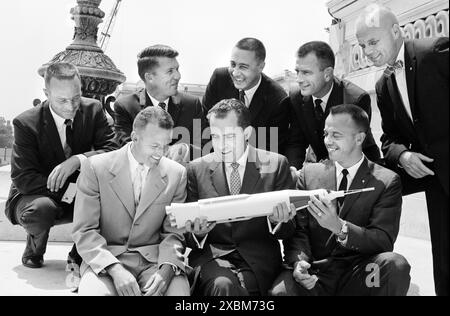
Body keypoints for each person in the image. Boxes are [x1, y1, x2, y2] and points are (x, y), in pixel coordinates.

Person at [355, 4, 449, 296]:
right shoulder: (382, 84)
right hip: (437, 185)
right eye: (362, 45)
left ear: (395, 31)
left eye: (373, 41)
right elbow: (388, 140)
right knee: (445, 263)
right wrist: (403, 156)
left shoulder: (435, 51)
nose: (368, 51)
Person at [270, 104, 411, 296]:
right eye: (326, 134)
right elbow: (299, 231)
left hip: (360, 273)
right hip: (315, 274)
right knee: (280, 292)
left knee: (395, 265)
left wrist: (340, 227)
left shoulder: (386, 181)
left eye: (336, 135)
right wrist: (299, 262)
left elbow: (382, 240)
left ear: (359, 138)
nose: (328, 141)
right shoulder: (309, 174)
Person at [4, 62, 117, 269]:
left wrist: (77, 160)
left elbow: (112, 151)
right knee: (41, 209)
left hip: (81, 190)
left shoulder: (94, 109)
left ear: (81, 88)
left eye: (75, 98)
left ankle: (80, 252)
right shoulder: (25, 123)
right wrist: (73, 190)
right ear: (46, 93)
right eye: (62, 100)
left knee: (114, 197)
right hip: (34, 194)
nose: (70, 106)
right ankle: (35, 248)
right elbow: (24, 179)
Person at [73, 107, 190, 296]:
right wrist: (115, 269)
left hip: (156, 261)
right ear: (135, 137)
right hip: (106, 260)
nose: (161, 153)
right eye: (154, 146)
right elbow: (85, 231)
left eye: (166, 145)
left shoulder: (177, 173)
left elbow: (174, 233)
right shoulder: (95, 167)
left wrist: (167, 269)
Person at [185, 99, 296, 296]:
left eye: (228, 136)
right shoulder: (196, 168)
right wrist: (198, 233)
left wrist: (276, 221)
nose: (220, 145)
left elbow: (290, 230)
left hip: (258, 259)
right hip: (213, 258)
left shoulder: (276, 165)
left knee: (243, 289)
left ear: (246, 133)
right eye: (215, 137)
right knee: (223, 285)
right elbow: (186, 234)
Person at [286, 41, 380, 171]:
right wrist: (292, 170)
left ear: (327, 74)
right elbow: (296, 142)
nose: (299, 79)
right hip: (323, 169)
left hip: (358, 170)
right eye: (297, 72)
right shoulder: (296, 96)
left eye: (306, 73)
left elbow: (350, 150)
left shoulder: (355, 99)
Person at [114, 45, 207, 163]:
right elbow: (127, 150)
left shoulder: (192, 105)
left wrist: (185, 149)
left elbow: (206, 146)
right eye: (170, 71)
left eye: (177, 69)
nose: (178, 76)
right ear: (149, 77)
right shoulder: (125, 107)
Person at [202, 38, 289, 154]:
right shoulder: (219, 79)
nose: (235, 72)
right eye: (233, 64)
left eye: (243, 67)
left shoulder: (278, 100)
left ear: (261, 67)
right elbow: (204, 125)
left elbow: (269, 150)